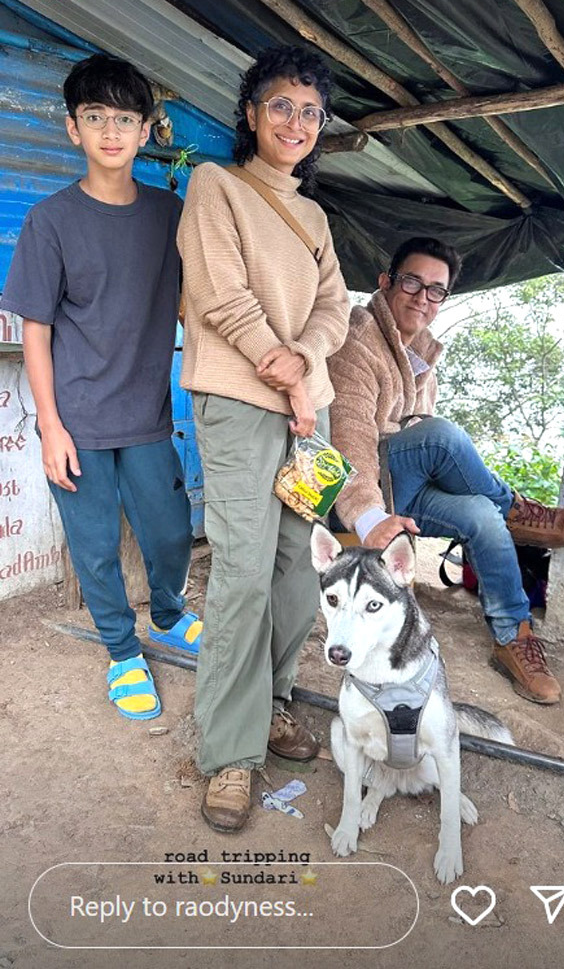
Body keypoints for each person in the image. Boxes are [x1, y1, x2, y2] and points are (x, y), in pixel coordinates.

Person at [178, 44, 350, 831]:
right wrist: (276, 364)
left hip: (305, 411)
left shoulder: (314, 215)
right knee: (243, 570)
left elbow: (337, 309)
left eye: (311, 112)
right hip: (241, 398)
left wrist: (306, 359)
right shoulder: (215, 186)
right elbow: (219, 289)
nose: (297, 123)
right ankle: (229, 752)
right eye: (282, 105)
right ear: (250, 113)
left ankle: (273, 702)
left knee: (294, 573)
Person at [1, 53, 198, 721]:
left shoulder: (171, 216)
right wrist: (49, 427)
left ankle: (169, 614)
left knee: (171, 533)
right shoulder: (51, 221)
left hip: (146, 416)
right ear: (72, 129)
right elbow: (35, 331)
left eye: (124, 117)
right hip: (78, 420)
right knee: (93, 549)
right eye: (95, 117)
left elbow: (196, 303)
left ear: (147, 131)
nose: (110, 131)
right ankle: (121, 650)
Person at [328, 238, 564, 705]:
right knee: (443, 436)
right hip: (362, 492)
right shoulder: (359, 337)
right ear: (386, 282)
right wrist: (366, 516)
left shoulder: (422, 355)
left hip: (404, 488)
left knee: (480, 516)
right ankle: (517, 509)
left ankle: (513, 637)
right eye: (412, 282)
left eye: (436, 290)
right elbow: (350, 441)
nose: (422, 298)